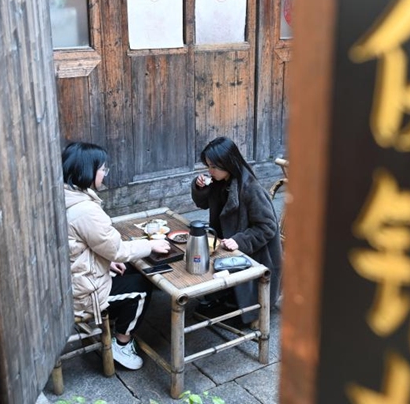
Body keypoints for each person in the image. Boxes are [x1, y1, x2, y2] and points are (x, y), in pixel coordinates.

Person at [62, 141, 170, 370]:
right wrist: (151, 245)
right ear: (87, 171)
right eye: (102, 169)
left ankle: (117, 325)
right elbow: (118, 250)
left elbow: (85, 248)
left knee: (127, 270)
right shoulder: (85, 211)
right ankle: (122, 342)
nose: (104, 173)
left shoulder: (64, 197)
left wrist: (107, 262)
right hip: (83, 295)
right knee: (142, 286)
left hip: (71, 281)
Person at [190, 137, 282, 325]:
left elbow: (267, 227)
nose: (210, 171)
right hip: (226, 246)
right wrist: (199, 188)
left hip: (257, 255)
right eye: (208, 166)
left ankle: (243, 307)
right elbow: (202, 203)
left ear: (228, 163)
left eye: (213, 166)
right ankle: (222, 298)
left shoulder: (251, 188)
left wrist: (240, 240)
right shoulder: (219, 182)